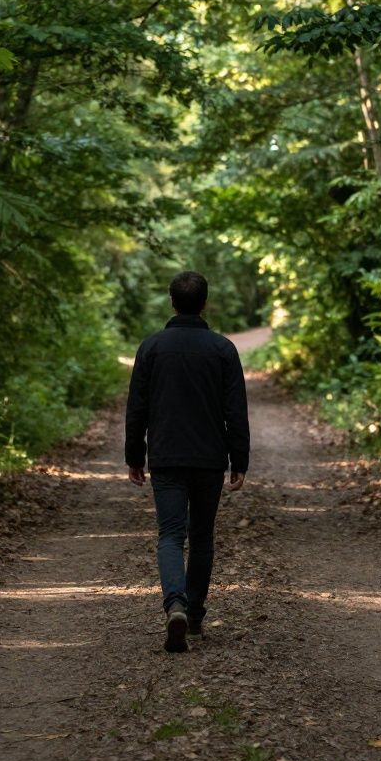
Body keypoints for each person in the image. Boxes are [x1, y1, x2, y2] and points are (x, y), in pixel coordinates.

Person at [125, 271, 250, 653]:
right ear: (205, 303)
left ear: (171, 302)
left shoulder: (152, 347)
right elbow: (236, 411)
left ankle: (174, 604)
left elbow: (137, 408)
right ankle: (194, 618)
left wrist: (135, 456)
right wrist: (239, 459)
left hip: (166, 456)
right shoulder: (222, 349)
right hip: (210, 459)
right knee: (201, 537)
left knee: (170, 535)